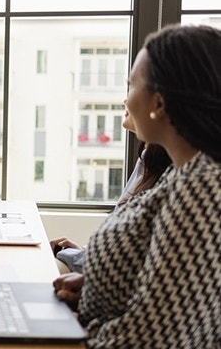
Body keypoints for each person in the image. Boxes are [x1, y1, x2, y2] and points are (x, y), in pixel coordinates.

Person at [53, 24, 221, 348]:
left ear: (158, 103)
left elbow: (150, 339)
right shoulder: (183, 173)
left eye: (131, 84)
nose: (126, 97)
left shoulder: (202, 192)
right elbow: (171, 288)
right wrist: (93, 290)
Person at [50, 107, 172, 273]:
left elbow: (130, 261)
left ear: (158, 104)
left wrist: (81, 256)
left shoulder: (168, 181)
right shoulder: (145, 159)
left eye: (135, 86)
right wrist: (84, 252)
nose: (126, 101)